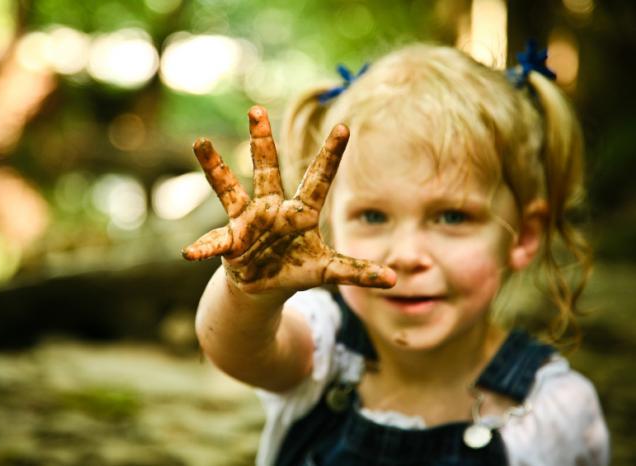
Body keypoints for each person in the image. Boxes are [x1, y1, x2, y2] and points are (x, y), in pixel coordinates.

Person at [182, 43, 610, 465]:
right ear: (331, 224)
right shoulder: (323, 348)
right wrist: (248, 290)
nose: (407, 255)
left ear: (522, 236)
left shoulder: (555, 414)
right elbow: (236, 350)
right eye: (372, 216)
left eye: (451, 217)